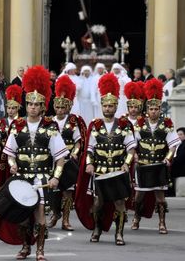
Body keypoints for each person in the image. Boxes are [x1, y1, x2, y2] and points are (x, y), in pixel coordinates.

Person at [0, 66, 68, 261]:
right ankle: (25, 246)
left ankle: (40, 250)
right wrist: (12, 164)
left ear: (43, 106)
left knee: (40, 218)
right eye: (30, 104)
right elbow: (10, 153)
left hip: (43, 179)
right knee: (23, 218)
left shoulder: (50, 127)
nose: (33, 107)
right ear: (25, 105)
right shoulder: (17, 126)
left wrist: (56, 176)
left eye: (37, 104)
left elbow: (60, 156)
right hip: (22, 178)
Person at [75, 72, 136, 246]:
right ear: (101, 106)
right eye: (105, 106)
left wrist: (126, 163)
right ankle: (97, 228)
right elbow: (90, 149)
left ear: (116, 106)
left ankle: (119, 233)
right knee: (97, 203)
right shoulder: (95, 125)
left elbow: (131, 148)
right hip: (100, 170)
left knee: (119, 203)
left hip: (118, 171)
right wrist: (89, 164)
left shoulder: (124, 125)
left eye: (111, 106)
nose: (108, 108)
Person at [131, 78, 181, 233]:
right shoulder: (139, 123)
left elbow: (173, 145)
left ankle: (161, 223)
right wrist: (135, 157)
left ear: (160, 109)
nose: (154, 111)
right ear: (147, 110)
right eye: (151, 109)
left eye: (156, 109)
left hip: (159, 165)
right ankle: (136, 218)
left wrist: (168, 158)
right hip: (143, 165)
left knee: (160, 197)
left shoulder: (166, 124)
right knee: (139, 196)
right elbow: (132, 144)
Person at [48, 75, 86, 231]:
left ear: (68, 107)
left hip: (69, 160)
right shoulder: (49, 121)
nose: (60, 110)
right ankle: (55, 214)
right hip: (52, 160)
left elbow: (78, 141)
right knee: (53, 191)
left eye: (63, 107)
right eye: (58, 107)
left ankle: (65, 219)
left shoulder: (73, 121)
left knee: (68, 192)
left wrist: (75, 152)